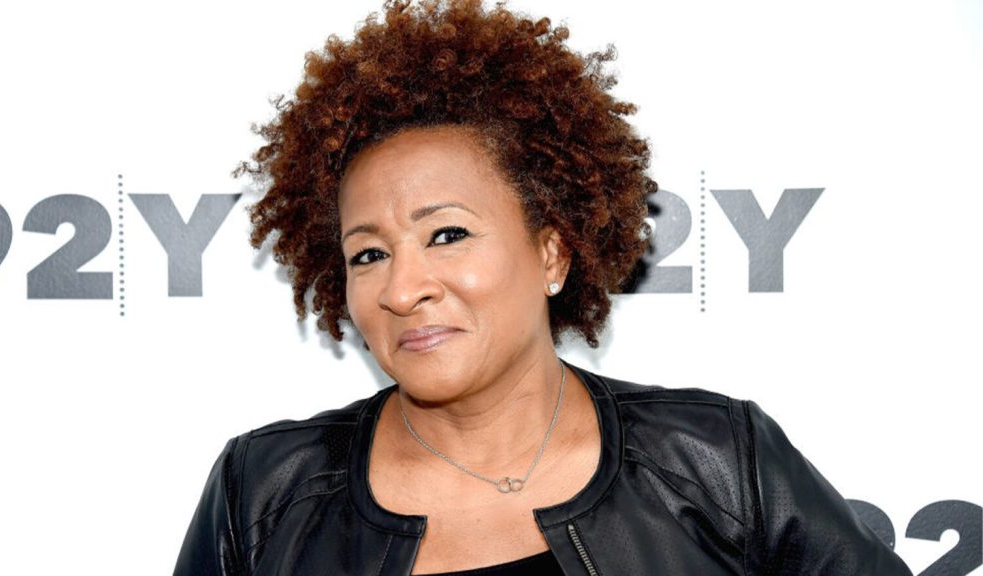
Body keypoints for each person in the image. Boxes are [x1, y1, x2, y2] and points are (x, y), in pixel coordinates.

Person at [174, 1, 912, 574]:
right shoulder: (263, 493)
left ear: (552, 254)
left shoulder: (716, 461)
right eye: (367, 254)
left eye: (447, 235)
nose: (401, 288)